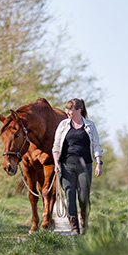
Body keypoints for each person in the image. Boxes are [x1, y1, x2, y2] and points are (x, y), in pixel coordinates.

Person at [52, 98, 103, 234]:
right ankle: (74, 227)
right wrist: (56, 163)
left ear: (78, 110)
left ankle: (84, 222)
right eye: (67, 109)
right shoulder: (63, 125)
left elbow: (96, 145)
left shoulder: (90, 126)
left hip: (84, 166)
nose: (67, 112)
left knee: (83, 196)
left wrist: (99, 163)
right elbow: (56, 146)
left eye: (70, 110)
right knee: (70, 195)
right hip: (67, 165)